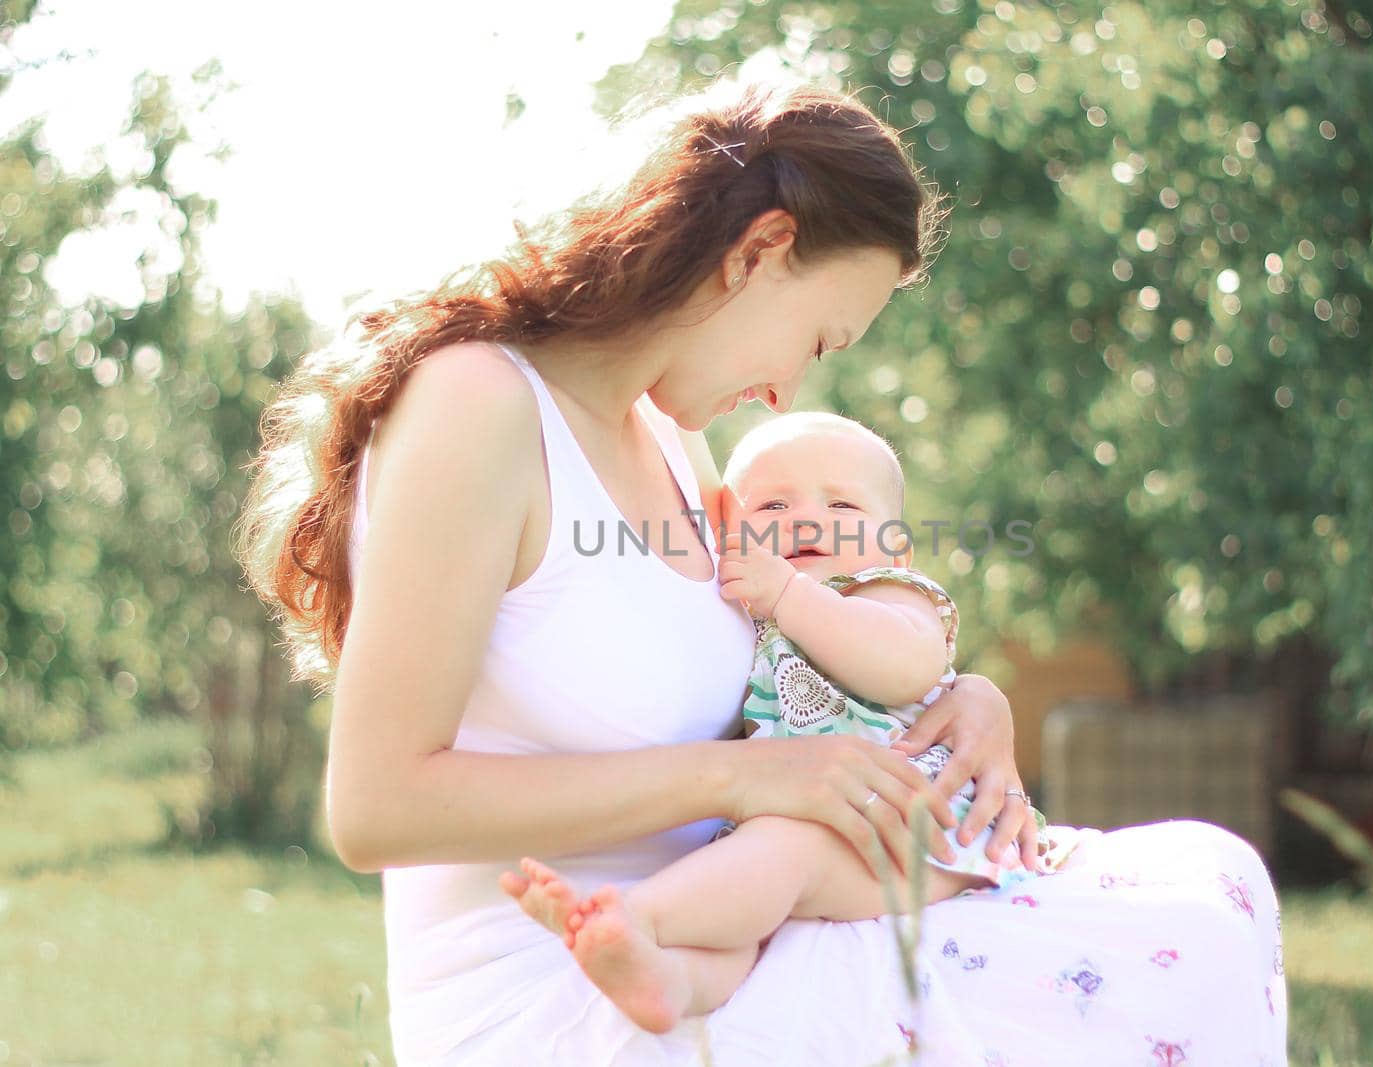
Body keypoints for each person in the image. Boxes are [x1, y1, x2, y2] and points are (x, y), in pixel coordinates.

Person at [239, 77, 1288, 1065]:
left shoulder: (667, 436)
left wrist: (958, 701)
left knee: (1210, 883)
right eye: (820, 338)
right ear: (759, 252)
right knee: (1163, 964)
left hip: (743, 928)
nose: (789, 392)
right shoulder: (478, 405)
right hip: (564, 988)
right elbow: (376, 808)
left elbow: (785, 674)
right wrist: (743, 777)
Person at [499, 412, 1085, 1035]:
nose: (806, 520)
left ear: (898, 546)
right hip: (813, 822)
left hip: (914, 821)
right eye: (772, 505)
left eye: (842, 504)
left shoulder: (887, 593)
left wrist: (791, 596)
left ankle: (632, 916)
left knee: (784, 855)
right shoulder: (751, 624)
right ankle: (667, 980)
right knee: (746, 915)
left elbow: (904, 669)